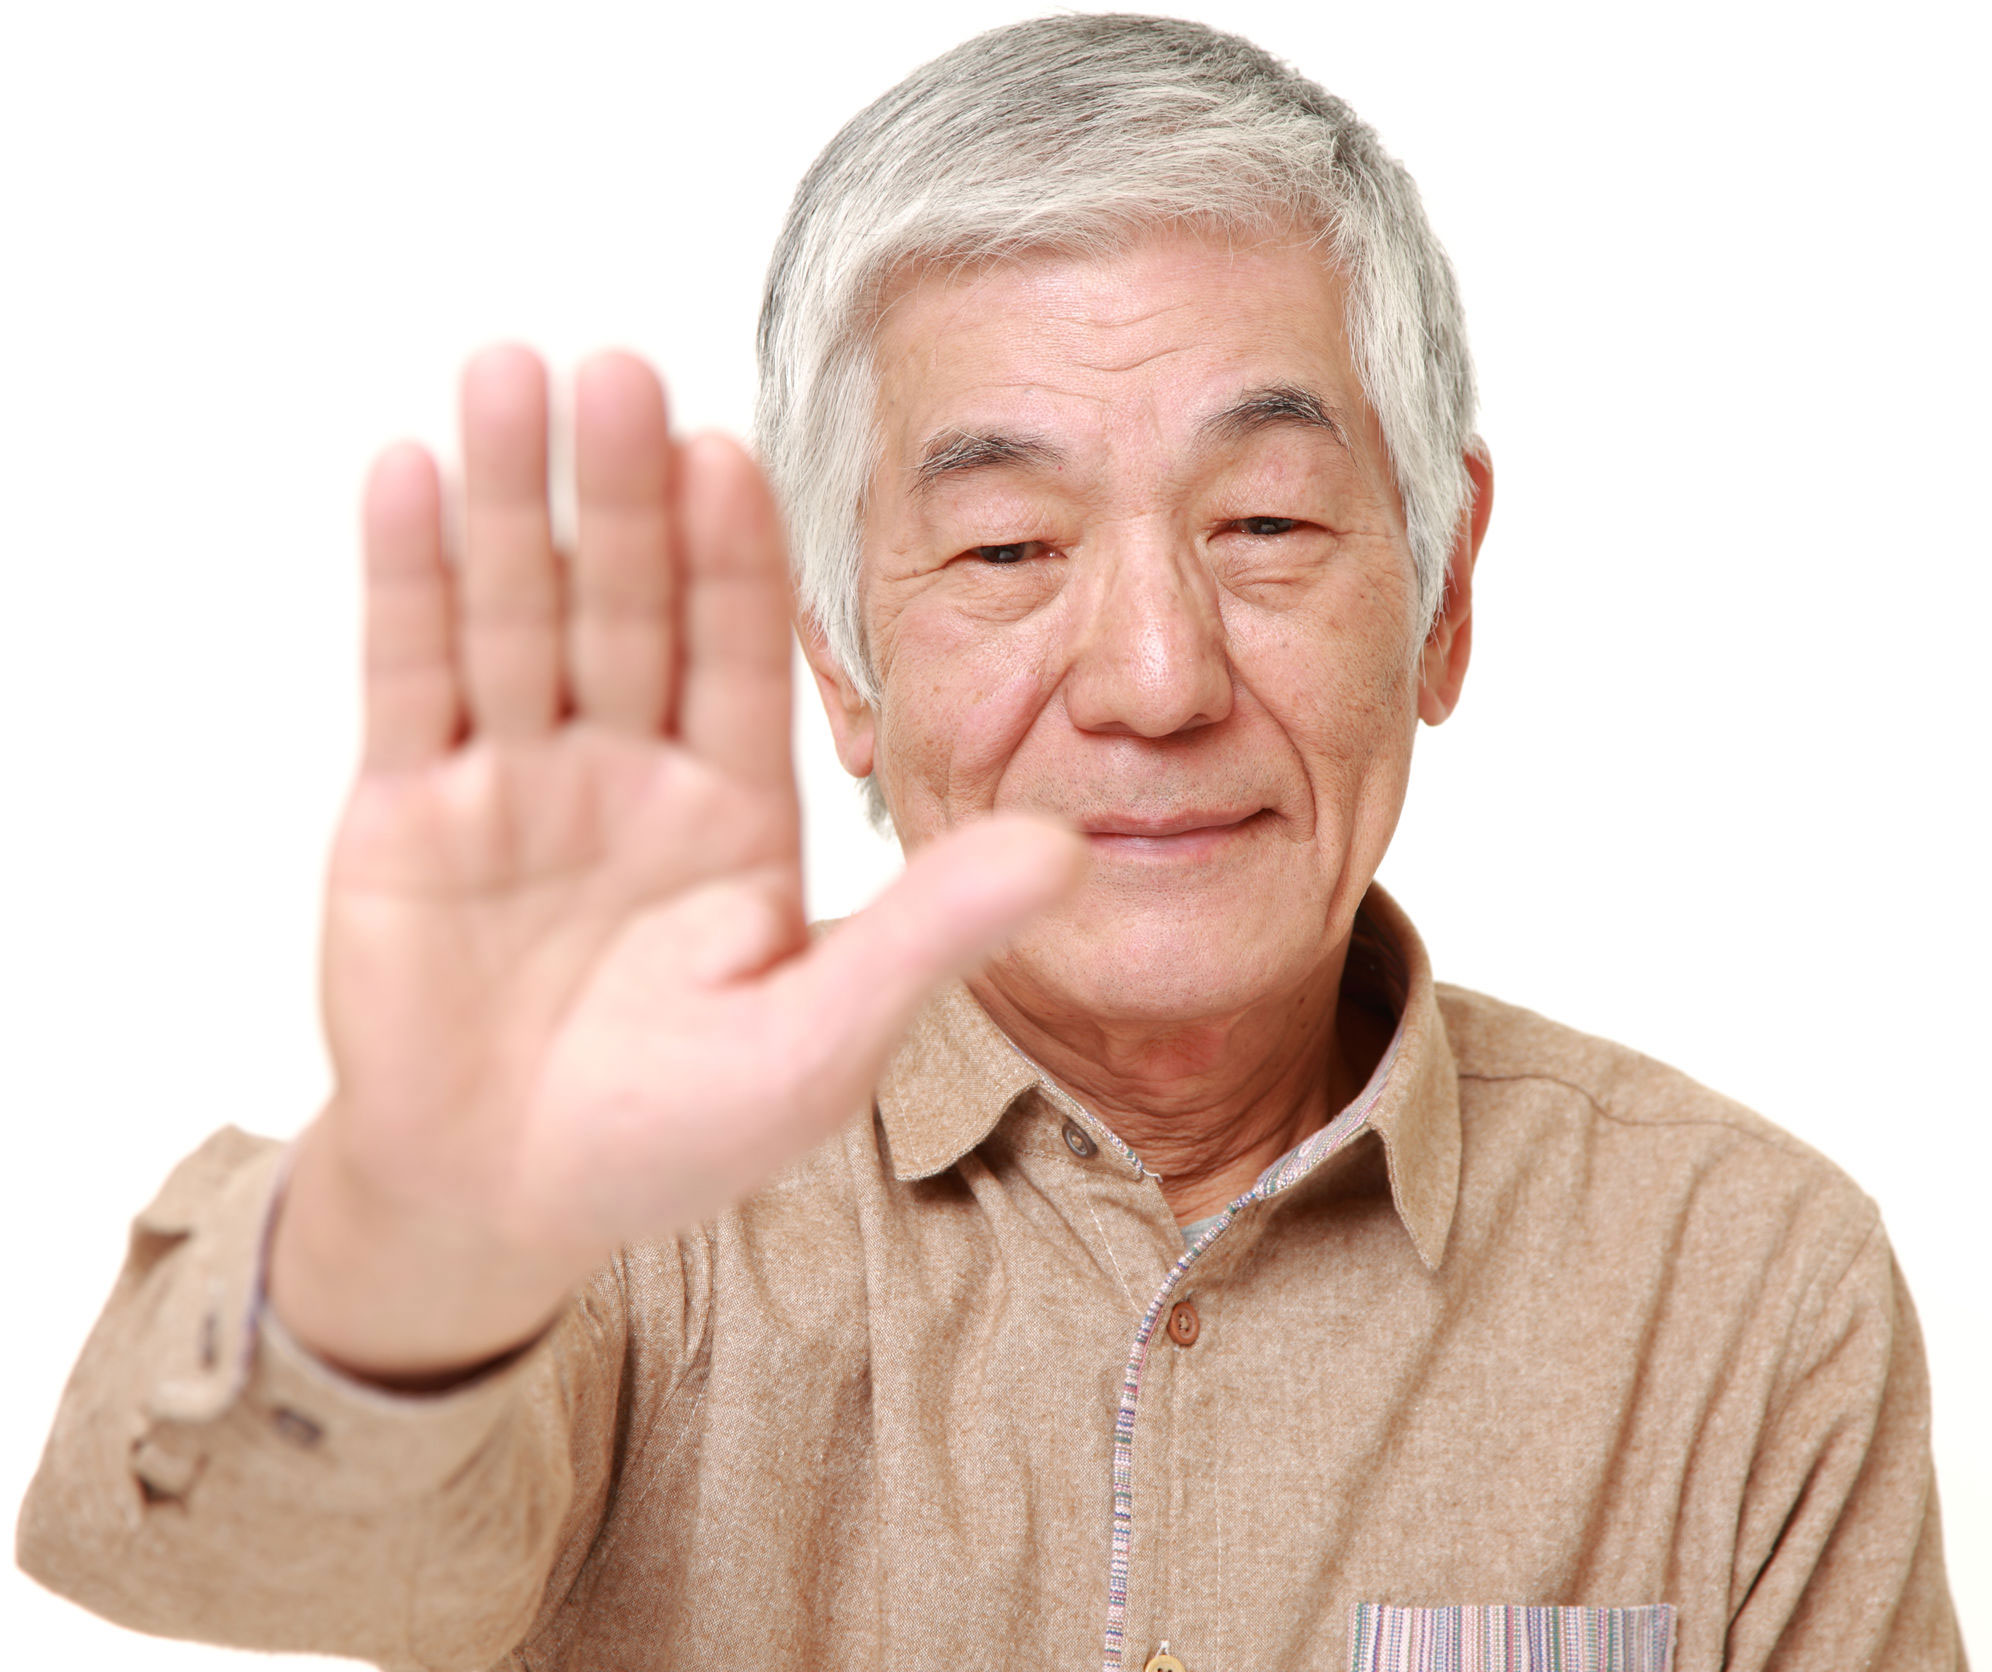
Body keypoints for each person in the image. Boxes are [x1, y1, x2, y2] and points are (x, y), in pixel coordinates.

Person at [15, 14, 1963, 1671]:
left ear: (1444, 592)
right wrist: (421, 1220)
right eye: (1010, 547)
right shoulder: (621, 1198)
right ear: (841, 666)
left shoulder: (1742, 1282)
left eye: (1267, 521)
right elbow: (194, 1539)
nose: (1152, 671)